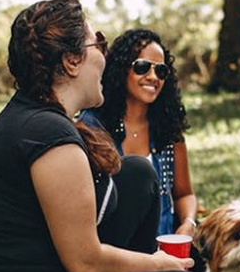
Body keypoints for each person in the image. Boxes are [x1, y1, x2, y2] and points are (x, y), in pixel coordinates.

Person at [0, 0, 203, 272]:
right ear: (71, 61)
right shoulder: (48, 135)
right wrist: (159, 263)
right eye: (97, 42)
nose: (104, 54)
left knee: (136, 173)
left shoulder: (39, 117)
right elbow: (84, 261)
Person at [79, 29, 198, 238]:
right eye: (142, 67)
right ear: (121, 69)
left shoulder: (168, 129)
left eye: (161, 71)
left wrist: (188, 223)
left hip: (165, 249)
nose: (153, 77)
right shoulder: (92, 127)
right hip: (113, 250)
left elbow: (184, 193)